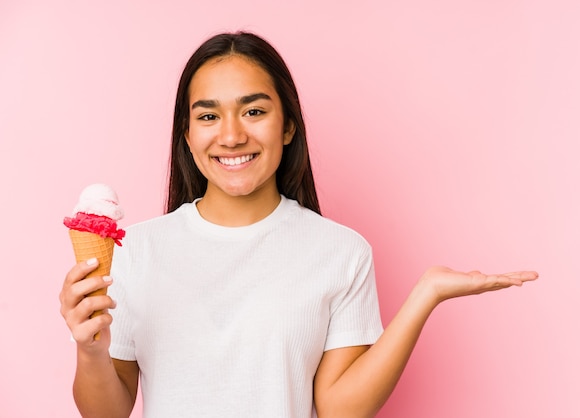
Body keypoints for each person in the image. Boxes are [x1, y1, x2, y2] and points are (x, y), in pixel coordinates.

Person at [59, 31, 537, 418]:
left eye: (254, 111)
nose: (231, 135)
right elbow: (106, 413)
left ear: (287, 126)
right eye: (208, 115)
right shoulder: (135, 250)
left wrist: (425, 295)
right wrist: (91, 350)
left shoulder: (340, 252)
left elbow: (340, 409)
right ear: (187, 135)